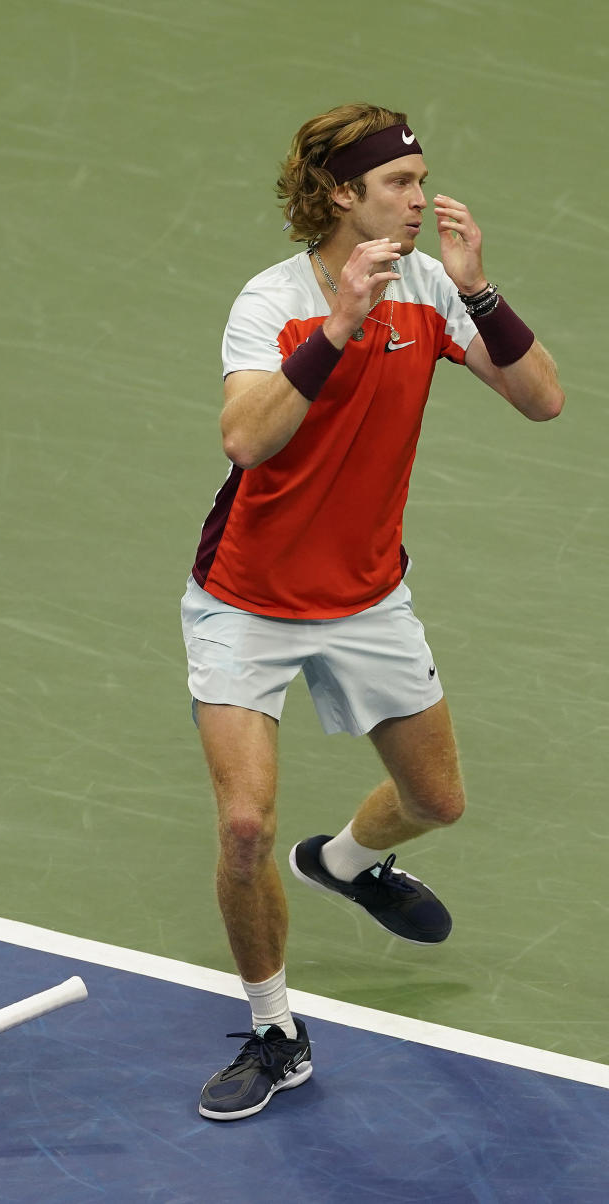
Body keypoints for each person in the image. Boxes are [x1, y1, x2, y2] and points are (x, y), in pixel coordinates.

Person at [181, 103, 564, 1122]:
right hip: (245, 602)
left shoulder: (433, 287)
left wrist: (478, 290)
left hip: (367, 598)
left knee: (437, 801)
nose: (421, 197)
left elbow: (542, 398)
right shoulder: (270, 303)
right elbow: (246, 439)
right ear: (343, 196)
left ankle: (344, 860)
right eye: (400, 183)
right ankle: (274, 1032)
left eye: (421, 177)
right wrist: (342, 326)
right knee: (246, 825)